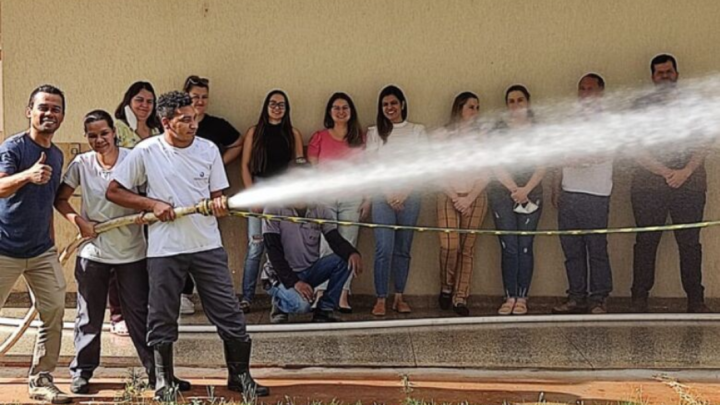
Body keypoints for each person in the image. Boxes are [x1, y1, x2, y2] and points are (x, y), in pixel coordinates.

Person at [106, 91, 268, 398]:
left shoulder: (208, 150)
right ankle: (164, 380)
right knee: (162, 314)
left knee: (228, 311)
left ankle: (239, 376)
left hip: (207, 246)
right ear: (166, 122)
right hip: (165, 250)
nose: (194, 124)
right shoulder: (146, 151)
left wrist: (219, 203)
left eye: (194, 118)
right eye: (186, 120)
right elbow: (114, 191)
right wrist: (151, 203)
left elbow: (218, 192)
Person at [54, 110, 161, 394]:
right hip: (94, 252)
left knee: (139, 313)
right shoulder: (81, 163)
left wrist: (144, 209)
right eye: (92, 135)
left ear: (114, 132)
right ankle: (82, 372)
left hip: (132, 252)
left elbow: (149, 195)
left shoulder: (132, 159)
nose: (99, 140)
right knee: (88, 315)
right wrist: (79, 222)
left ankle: (156, 373)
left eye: (104, 133)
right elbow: (61, 199)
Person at [0, 85, 70, 404]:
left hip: (41, 250)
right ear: (29, 111)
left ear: (62, 116)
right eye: (43, 108)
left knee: (54, 308)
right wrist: (27, 175)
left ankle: (42, 378)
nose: (49, 114)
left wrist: (52, 244)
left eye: (55, 109)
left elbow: (48, 202)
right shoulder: (13, 147)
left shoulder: (57, 154)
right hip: (5, 247)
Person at [630, 54, 710, 314]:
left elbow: (704, 141)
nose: (665, 77)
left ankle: (696, 301)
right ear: (652, 77)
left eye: (669, 72)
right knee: (645, 243)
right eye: (659, 73)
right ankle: (639, 300)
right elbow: (635, 146)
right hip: (647, 188)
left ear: (677, 73)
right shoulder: (640, 106)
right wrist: (665, 171)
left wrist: (685, 171)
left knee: (690, 244)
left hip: (691, 185)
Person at [180, 75, 244, 315]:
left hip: (209, 197)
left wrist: (217, 163)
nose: (200, 101)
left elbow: (238, 143)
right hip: (179, 197)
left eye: (204, 97)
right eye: (195, 96)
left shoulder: (217, 126)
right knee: (181, 243)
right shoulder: (175, 125)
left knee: (206, 244)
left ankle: (212, 296)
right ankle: (182, 293)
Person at [551, 74, 614, 315]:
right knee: (572, 250)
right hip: (569, 194)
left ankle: (598, 298)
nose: (585, 93)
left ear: (601, 92)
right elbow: (558, 157)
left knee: (596, 249)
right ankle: (576, 296)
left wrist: (574, 157)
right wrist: (555, 188)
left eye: (590, 89)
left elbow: (598, 154)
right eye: (581, 89)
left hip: (596, 195)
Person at [240, 90, 304, 313]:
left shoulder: (292, 133)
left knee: (279, 248)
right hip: (258, 188)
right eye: (273, 103)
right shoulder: (254, 132)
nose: (277, 108)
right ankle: (246, 297)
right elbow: (245, 166)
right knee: (256, 246)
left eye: (282, 105)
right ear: (266, 106)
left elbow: (298, 169)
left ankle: (279, 302)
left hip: (282, 194)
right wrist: (252, 196)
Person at [366, 85, 426, 316]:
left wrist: (404, 192)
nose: (389, 108)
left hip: (410, 196)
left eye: (393, 103)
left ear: (402, 104)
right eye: (385, 104)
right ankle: (380, 298)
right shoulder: (374, 132)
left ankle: (399, 297)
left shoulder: (417, 130)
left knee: (403, 248)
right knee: (384, 248)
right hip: (383, 197)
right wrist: (389, 193)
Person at [108, 81, 163, 332]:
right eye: (139, 100)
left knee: (141, 260)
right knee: (119, 259)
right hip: (122, 199)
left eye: (149, 101)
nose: (144, 106)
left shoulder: (156, 130)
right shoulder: (117, 128)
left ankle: (141, 311)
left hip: (150, 202)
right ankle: (117, 315)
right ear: (129, 100)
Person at [307, 92, 368, 313]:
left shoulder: (360, 138)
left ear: (351, 112)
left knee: (349, 244)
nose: (341, 111)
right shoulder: (319, 138)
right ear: (329, 112)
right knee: (326, 246)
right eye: (336, 107)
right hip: (325, 199)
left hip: (352, 198)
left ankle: (342, 293)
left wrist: (367, 198)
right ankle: (322, 293)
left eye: (345, 107)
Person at [487, 84, 545, 316]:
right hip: (503, 193)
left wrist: (526, 190)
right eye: (511, 101)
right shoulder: (499, 130)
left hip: (532, 193)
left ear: (528, 102)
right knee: (509, 247)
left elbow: (543, 165)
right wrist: (513, 189)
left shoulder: (538, 130)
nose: (515, 105)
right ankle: (509, 296)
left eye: (519, 100)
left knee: (524, 247)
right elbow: (495, 163)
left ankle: (522, 297)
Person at [261, 201, 363, 323]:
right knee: (302, 306)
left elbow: (334, 239)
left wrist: (352, 253)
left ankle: (324, 309)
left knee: (345, 260)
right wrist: (295, 282)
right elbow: (274, 253)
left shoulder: (321, 209)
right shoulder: (273, 209)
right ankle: (279, 305)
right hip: (278, 275)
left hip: (308, 271)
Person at [436, 92, 490, 317]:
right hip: (448, 194)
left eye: (478, 107)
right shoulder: (444, 135)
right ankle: (446, 286)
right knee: (450, 245)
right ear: (459, 108)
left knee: (467, 249)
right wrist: (456, 197)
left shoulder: (484, 137)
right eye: (471, 107)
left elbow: (487, 171)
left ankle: (460, 296)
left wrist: (469, 198)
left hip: (475, 196)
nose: (475, 112)